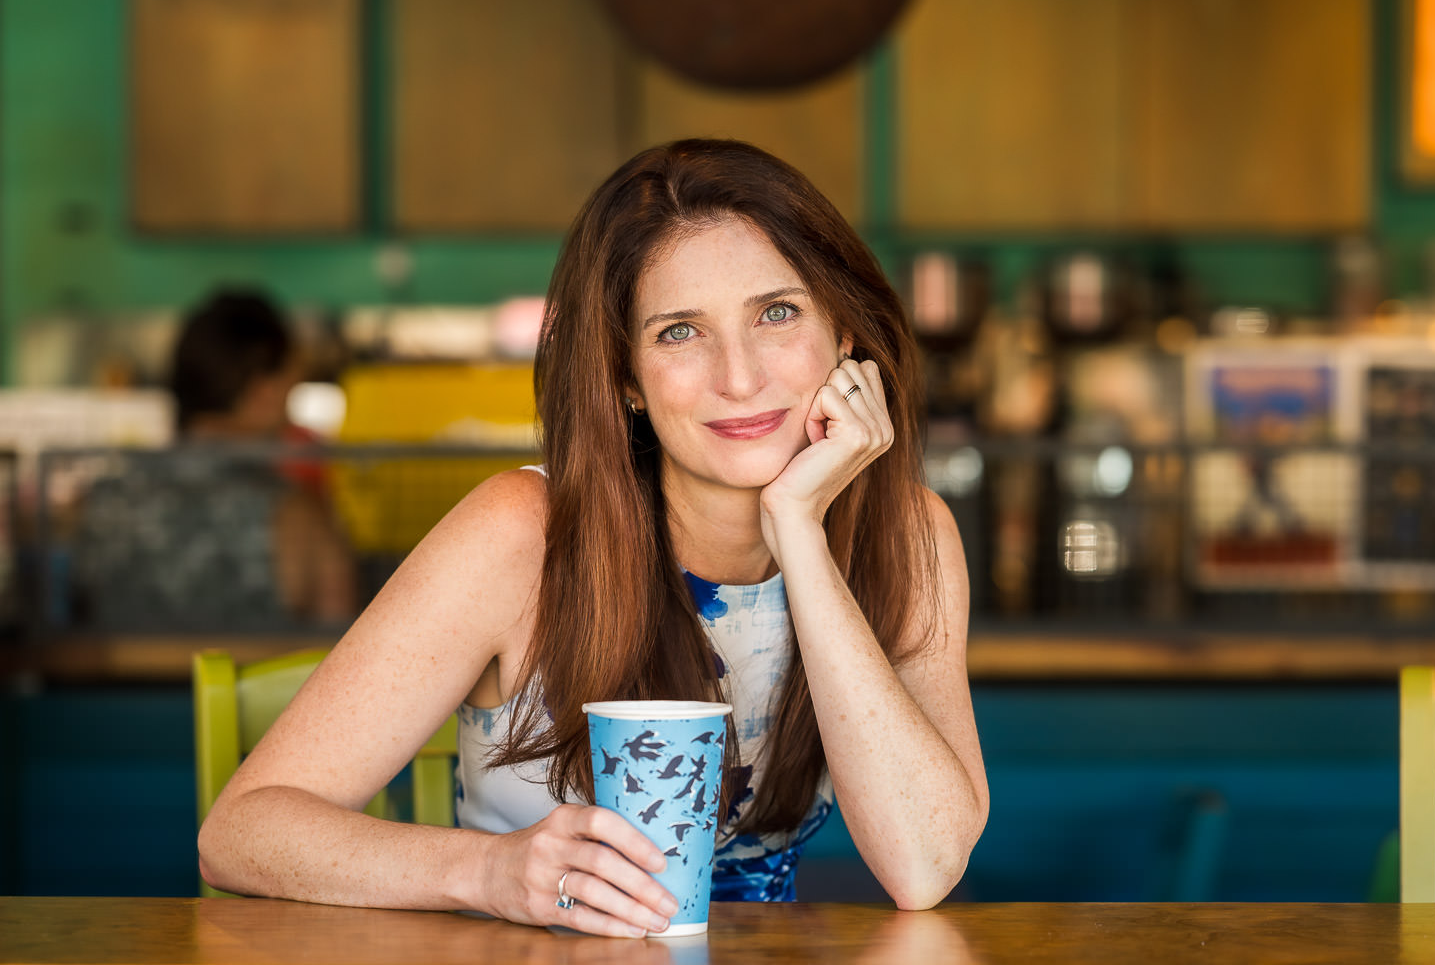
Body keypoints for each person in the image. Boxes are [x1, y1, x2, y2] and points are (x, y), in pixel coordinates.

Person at [197, 140, 988, 936]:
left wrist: (801, 534)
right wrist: (487, 873)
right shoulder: (523, 535)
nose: (740, 376)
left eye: (776, 313)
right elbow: (240, 834)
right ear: (625, 376)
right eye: (680, 332)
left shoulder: (909, 534)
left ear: (844, 331)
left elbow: (923, 866)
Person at [73, 287, 355, 629]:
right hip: (251, 683)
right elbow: (345, 650)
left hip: (103, 684)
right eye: (290, 381)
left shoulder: (103, 500)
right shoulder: (298, 516)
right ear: (263, 390)